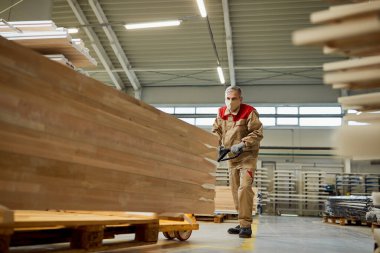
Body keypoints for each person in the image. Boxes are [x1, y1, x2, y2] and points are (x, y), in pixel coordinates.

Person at [212, 86, 263, 238]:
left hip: (247, 156)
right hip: (231, 157)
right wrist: (217, 145)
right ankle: (241, 223)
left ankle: (246, 225)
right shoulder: (221, 112)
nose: (230, 102)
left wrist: (243, 144)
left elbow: (257, 132)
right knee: (235, 191)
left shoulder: (249, 112)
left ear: (240, 99)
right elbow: (216, 131)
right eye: (228, 99)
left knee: (245, 188)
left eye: (234, 99)